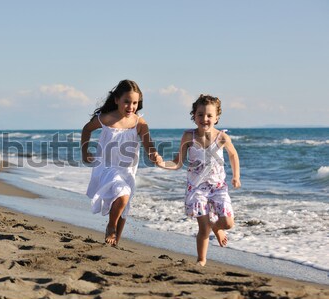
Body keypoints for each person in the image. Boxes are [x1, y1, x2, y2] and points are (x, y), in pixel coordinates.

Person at [157, 94, 241, 266]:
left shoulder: (222, 138)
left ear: (217, 117)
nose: (205, 118)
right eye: (200, 114)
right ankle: (201, 259)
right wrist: (161, 163)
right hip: (197, 188)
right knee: (203, 228)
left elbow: (233, 155)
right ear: (194, 116)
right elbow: (178, 162)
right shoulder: (189, 136)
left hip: (218, 187)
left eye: (209, 115)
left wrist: (236, 176)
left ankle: (217, 227)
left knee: (228, 223)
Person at [81, 79, 162, 246]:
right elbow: (86, 129)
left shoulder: (139, 123)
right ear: (116, 99)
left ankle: (115, 242)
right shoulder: (105, 118)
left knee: (125, 204)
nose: (131, 107)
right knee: (123, 195)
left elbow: (149, 145)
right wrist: (84, 151)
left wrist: (154, 154)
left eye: (134, 103)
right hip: (107, 167)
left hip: (128, 169)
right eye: (127, 102)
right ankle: (111, 226)